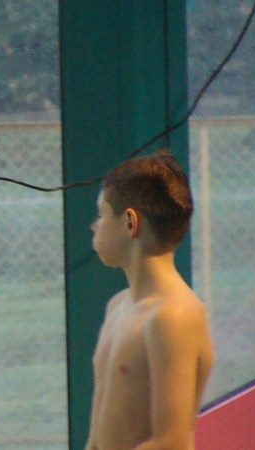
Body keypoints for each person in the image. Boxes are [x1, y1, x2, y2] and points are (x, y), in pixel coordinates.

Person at [86, 149, 215, 449]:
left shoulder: (173, 316)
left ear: (130, 222)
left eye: (102, 215)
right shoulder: (118, 306)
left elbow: (171, 442)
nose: (94, 226)